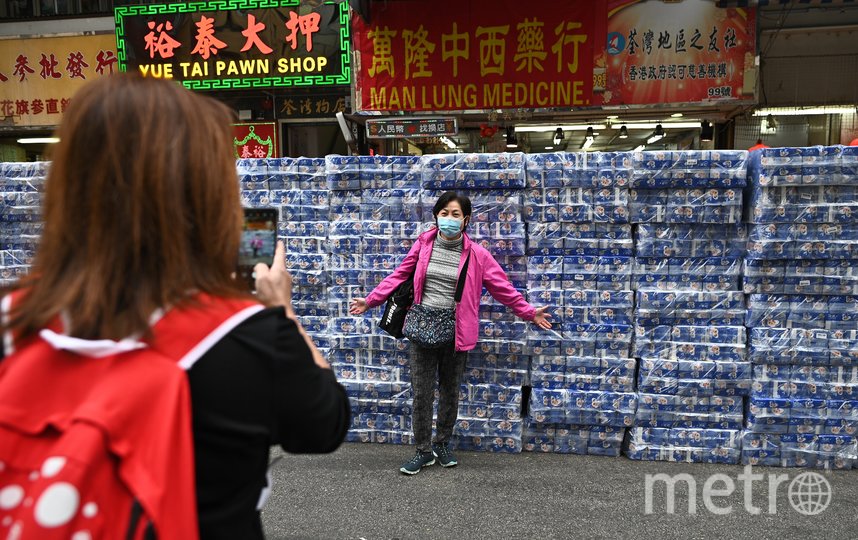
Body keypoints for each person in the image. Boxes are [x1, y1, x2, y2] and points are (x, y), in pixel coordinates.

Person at [0, 74, 349, 539]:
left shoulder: (14, 319)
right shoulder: (246, 339)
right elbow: (324, 423)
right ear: (204, 194)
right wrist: (278, 307)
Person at [349, 191, 552, 475]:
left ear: (466, 220)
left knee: (449, 391)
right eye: (444, 213)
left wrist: (529, 312)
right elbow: (398, 275)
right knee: (421, 393)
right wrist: (370, 300)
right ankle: (422, 451)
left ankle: (442, 443)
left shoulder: (478, 256)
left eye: (455, 214)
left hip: (456, 332)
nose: (448, 219)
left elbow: (502, 288)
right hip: (421, 327)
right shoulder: (422, 245)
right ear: (436, 216)